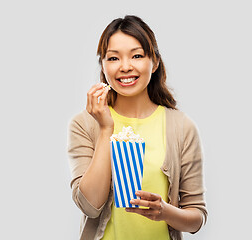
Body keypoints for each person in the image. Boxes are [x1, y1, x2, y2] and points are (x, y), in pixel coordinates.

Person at [67, 15, 207, 240]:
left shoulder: (181, 127)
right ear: (103, 65)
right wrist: (105, 129)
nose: (125, 67)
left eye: (137, 56)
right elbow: (90, 206)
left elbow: (196, 217)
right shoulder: (85, 124)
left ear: (155, 62)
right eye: (113, 58)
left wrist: (164, 211)